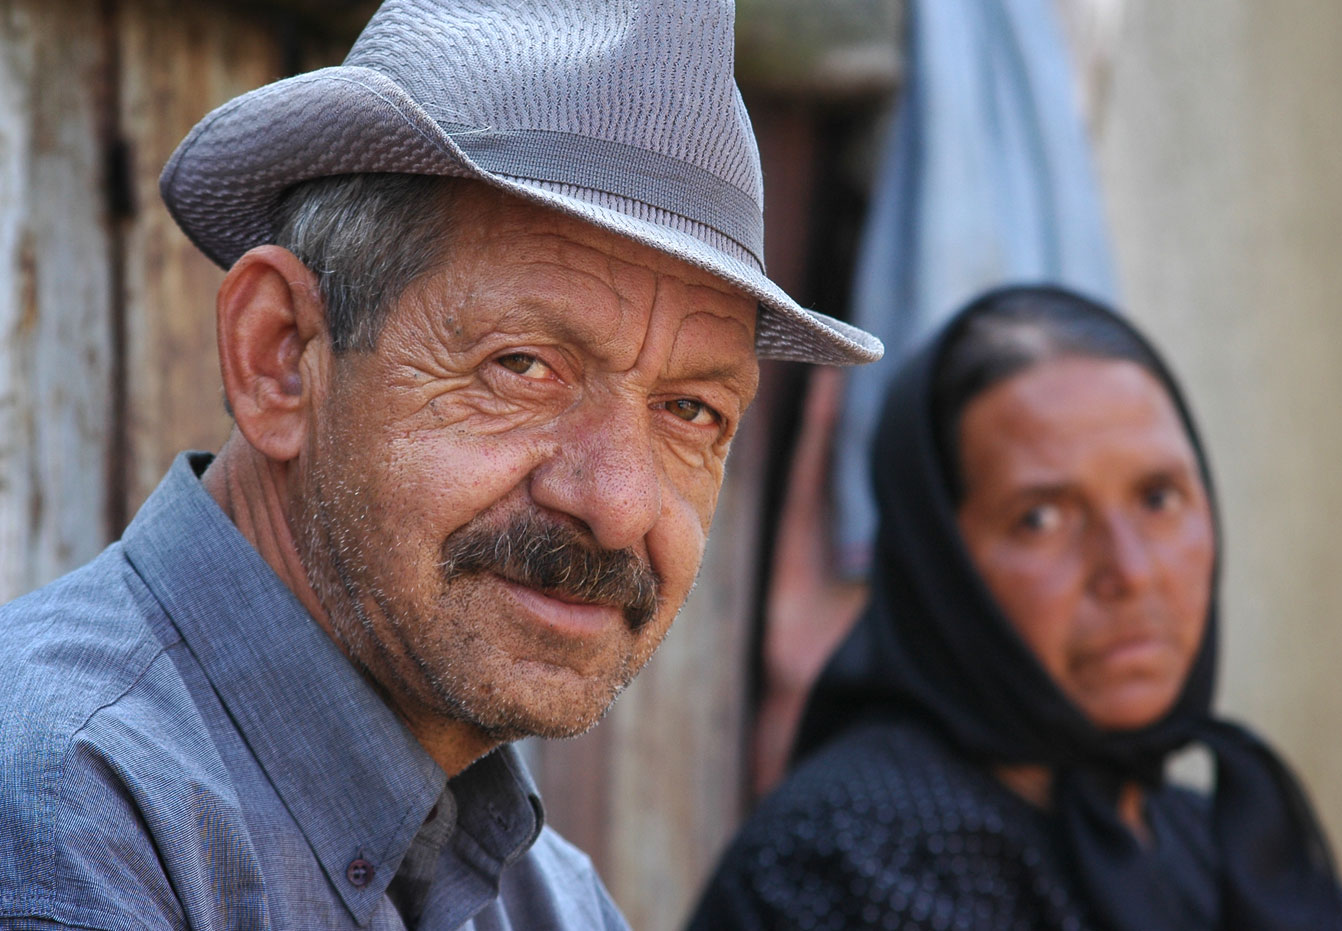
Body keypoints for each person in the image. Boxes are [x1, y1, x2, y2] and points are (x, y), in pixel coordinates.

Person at [0, 1, 882, 928]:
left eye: (690, 410)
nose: (620, 503)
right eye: (522, 366)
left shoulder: (546, 892)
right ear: (282, 356)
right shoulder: (66, 802)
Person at [687, 285, 1342, 931]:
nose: (1130, 571)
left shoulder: (1211, 833)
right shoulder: (859, 851)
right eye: (1042, 518)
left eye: (1158, 498)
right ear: (942, 568)